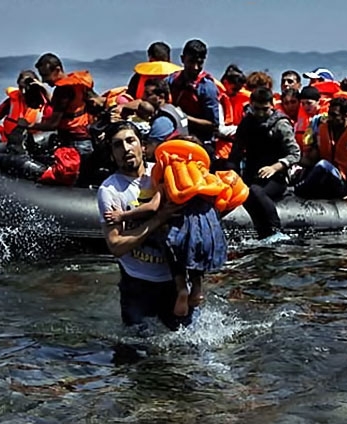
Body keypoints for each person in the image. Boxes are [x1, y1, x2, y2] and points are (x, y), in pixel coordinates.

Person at [104, 138, 228, 317]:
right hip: (205, 228)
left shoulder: (166, 180)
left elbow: (153, 207)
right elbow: (224, 200)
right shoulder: (205, 179)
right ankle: (197, 289)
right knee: (195, 259)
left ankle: (182, 288)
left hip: (177, 233)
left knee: (174, 256)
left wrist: (123, 215)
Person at [97, 121, 194, 330]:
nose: (126, 149)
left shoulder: (163, 173)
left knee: (185, 347)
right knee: (133, 352)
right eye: (117, 145)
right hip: (137, 284)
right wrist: (159, 219)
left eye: (130, 141)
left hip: (173, 281)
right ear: (112, 154)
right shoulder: (110, 190)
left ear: (143, 146)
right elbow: (115, 246)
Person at [228, 87, 301, 241]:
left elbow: (295, 153)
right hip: (251, 174)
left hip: (276, 178)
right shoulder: (247, 123)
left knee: (254, 191)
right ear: (250, 105)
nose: (260, 114)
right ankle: (261, 232)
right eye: (256, 109)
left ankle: (276, 230)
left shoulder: (280, 124)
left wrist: (275, 167)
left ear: (272, 105)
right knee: (248, 190)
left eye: (265, 109)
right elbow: (236, 153)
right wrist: (231, 172)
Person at [28, 52, 96, 185]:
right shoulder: (80, 84)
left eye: (46, 75)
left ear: (58, 70)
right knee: (84, 178)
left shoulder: (62, 90)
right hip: (86, 140)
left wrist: (27, 125)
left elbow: (53, 124)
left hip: (73, 144)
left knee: (70, 179)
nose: (44, 80)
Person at [294, 97, 347, 209]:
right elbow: (311, 160)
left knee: (323, 165)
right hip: (329, 180)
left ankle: (299, 191)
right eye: (329, 114)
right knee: (320, 166)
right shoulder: (324, 130)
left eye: (334, 115)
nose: (330, 118)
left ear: (346, 116)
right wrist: (291, 159)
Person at [167, 39, 220, 154]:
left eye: (200, 63)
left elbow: (213, 125)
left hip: (200, 142)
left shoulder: (207, 88)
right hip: (173, 137)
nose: (195, 67)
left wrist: (184, 117)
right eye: (191, 62)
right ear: (182, 59)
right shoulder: (171, 81)